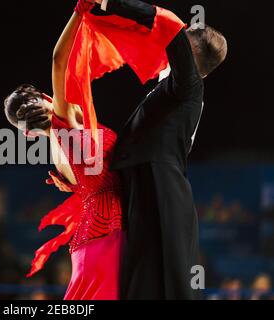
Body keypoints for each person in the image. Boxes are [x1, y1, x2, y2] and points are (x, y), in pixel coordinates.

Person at [91, 0, 228, 299]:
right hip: (150, 185)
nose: (170, 42)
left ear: (189, 53)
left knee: (163, 281)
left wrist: (109, 3)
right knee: (144, 276)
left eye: (183, 38)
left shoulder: (188, 86)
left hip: (161, 189)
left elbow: (169, 26)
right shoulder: (173, 90)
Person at [4, 0, 124, 300]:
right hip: (107, 237)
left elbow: (95, 183)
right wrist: (80, 10)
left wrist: (76, 189)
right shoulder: (64, 121)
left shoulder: (57, 150)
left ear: (27, 134)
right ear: (44, 99)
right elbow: (60, 58)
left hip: (96, 241)